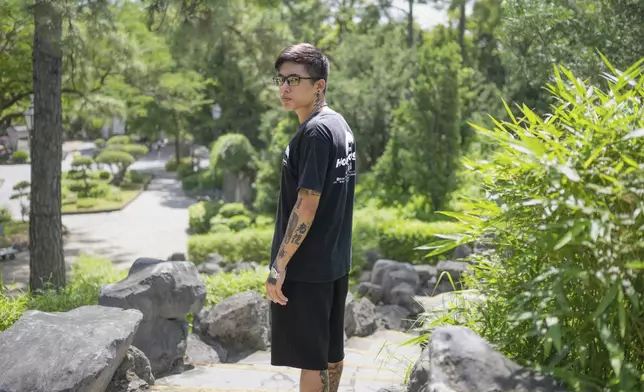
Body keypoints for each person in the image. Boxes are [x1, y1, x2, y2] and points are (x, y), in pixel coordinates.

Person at [265, 43, 357, 392]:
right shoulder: (339, 125)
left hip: (308, 268)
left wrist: (280, 264)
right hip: (333, 264)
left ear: (319, 85)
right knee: (330, 353)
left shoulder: (316, 132)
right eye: (281, 79)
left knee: (311, 360)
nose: (284, 88)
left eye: (294, 79)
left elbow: (306, 204)